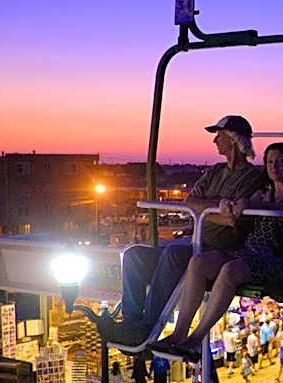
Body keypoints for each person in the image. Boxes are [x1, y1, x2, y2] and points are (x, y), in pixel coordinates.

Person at [101, 115, 266, 346]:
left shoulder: (253, 177)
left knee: (174, 254)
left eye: (219, 135)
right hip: (198, 245)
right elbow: (190, 201)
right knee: (134, 254)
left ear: (233, 139)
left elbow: (232, 218)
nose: (214, 141)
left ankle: (147, 325)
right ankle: (131, 321)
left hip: (221, 251)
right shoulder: (216, 171)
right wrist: (216, 205)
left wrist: (209, 208)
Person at [150, 142, 283, 362]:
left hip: (275, 259)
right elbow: (245, 204)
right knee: (199, 263)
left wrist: (247, 205)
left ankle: (196, 340)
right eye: (270, 161)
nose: (275, 166)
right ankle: (179, 333)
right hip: (249, 252)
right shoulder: (264, 195)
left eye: (281, 161)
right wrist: (231, 205)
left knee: (230, 270)